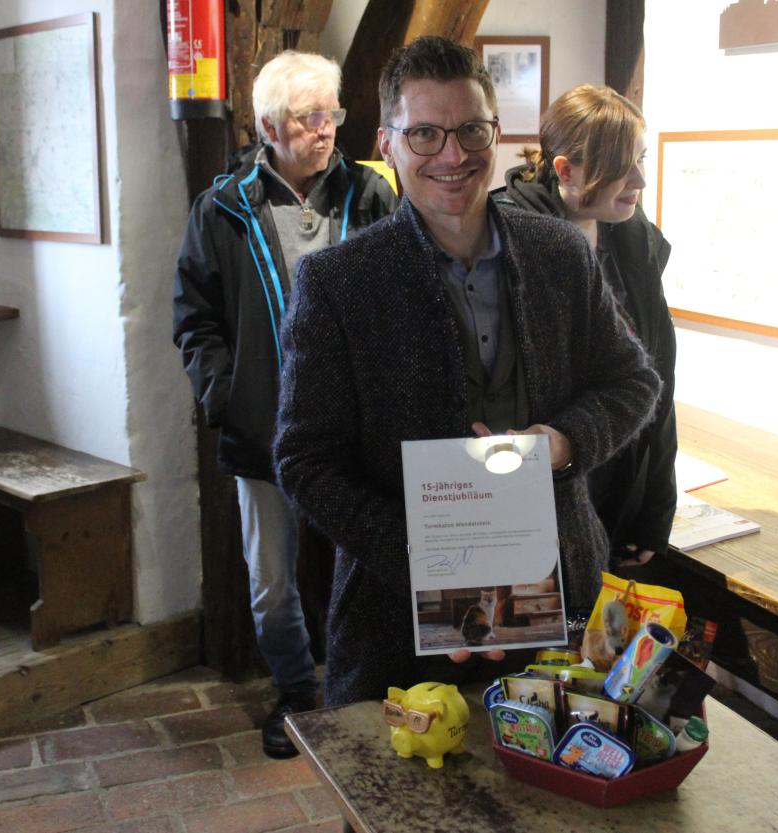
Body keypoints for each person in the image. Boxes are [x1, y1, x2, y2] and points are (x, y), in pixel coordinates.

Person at [273, 36, 663, 707]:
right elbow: (304, 460)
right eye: (424, 133)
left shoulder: (561, 253)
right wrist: (432, 568)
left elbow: (635, 383)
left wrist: (565, 443)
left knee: (555, 792)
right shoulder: (337, 283)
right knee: (406, 802)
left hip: (559, 604)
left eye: (471, 130)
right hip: (396, 618)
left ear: (497, 134)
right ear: (387, 143)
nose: (452, 155)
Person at [172, 50, 397, 758]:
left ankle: (354, 691)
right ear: (270, 126)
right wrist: (226, 395)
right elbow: (193, 318)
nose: (326, 128)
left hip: (359, 433)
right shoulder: (224, 207)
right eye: (309, 117)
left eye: (331, 112)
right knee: (271, 583)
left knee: (367, 562)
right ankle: (297, 692)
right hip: (263, 428)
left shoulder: (370, 196)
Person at [496, 84, 678, 572]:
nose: (639, 179)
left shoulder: (634, 241)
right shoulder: (507, 244)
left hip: (620, 492)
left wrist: (655, 510)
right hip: (546, 501)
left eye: (641, 158)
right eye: (622, 165)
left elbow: (659, 382)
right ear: (564, 170)